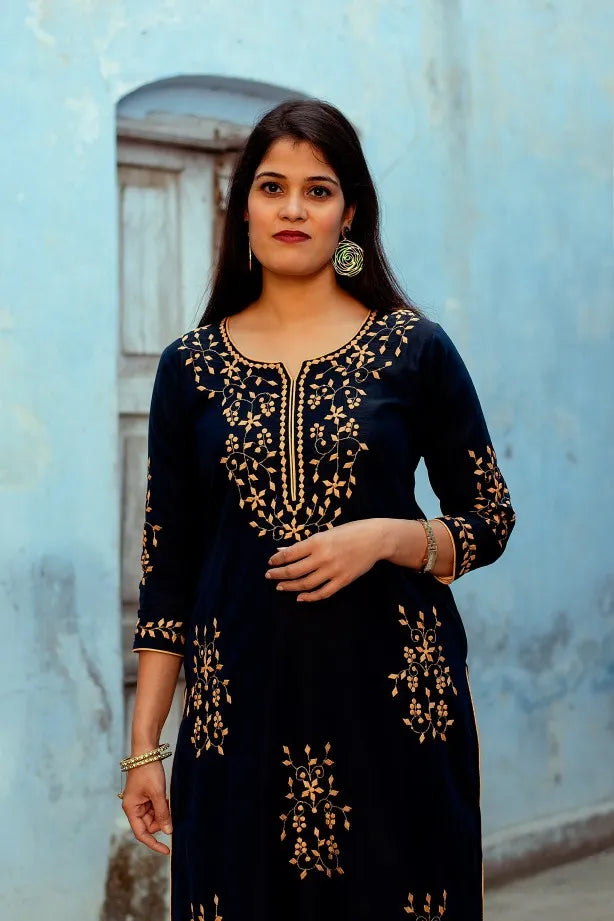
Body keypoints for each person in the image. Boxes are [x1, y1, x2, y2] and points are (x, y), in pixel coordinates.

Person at [120, 98, 516, 921]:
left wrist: (388, 537)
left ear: (350, 214)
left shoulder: (416, 348)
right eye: (271, 187)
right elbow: (168, 577)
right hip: (239, 723)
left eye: (317, 189)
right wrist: (144, 751)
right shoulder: (187, 369)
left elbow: (489, 517)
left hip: (395, 709)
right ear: (244, 210)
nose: (293, 208)